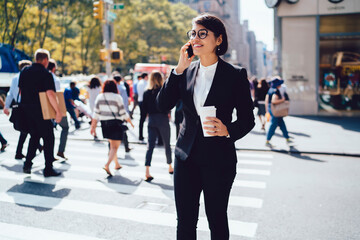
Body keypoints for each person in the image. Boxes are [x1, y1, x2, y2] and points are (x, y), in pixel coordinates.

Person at [156, 14, 255, 239]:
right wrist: (179, 68)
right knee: (185, 222)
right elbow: (162, 104)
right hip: (185, 157)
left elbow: (248, 119)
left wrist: (228, 129)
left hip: (219, 159)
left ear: (218, 40)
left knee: (217, 220)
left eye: (203, 33)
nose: (196, 38)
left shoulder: (235, 75)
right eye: (193, 33)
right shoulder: (186, 72)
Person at [19, 48, 62, 177]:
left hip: (26, 110)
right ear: (45, 60)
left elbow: (20, 91)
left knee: (34, 136)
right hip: (41, 111)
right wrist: (58, 111)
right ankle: (48, 168)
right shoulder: (46, 74)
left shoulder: (24, 71)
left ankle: (27, 164)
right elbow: (50, 94)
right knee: (49, 138)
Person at [90, 80, 134, 177]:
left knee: (112, 145)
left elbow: (95, 113)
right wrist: (130, 122)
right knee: (115, 147)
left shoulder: (100, 96)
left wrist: (93, 127)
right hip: (115, 124)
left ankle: (117, 164)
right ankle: (107, 165)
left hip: (104, 124)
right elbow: (123, 112)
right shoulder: (117, 97)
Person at [3, 60, 43, 159]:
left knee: (26, 129)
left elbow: (10, 94)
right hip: (27, 105)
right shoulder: (26, 77)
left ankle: (24, 150)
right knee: (29, 129)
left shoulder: (15, 78)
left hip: (20, 105)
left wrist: (6, 106)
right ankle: (28, 150)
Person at [142, 71, 174, 182]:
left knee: (150, 146)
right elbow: (168, 105)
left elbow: (144, 109)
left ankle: (147, 171)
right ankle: (170, 166)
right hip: (163, 119)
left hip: (151, 119)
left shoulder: (147, 93)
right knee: (167, 144)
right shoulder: (164, 91)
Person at [47, 59, 69, 160]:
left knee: (47, 131)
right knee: (65, 128)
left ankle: (46, 150)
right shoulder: (54, 79)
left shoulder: (43, 77)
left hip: (44, 107)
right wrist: (59, 111)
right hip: (55, 107)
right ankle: (60, 151)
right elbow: (55, 95)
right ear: (54, 68)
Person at [265, 77, 292, 146]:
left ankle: (287, 138)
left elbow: (267, 100)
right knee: (274, 124)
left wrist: (267, 109)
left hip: (272, 108)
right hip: (275, 110)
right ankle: (267, 141)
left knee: (281, 123)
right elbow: (274, 101)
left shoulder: (271, 89)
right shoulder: (276, 91)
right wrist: (282, 100)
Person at [113, 72, 132, 152]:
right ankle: (126, 146)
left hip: (112, 112)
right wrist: (126, 113)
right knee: (123, 130)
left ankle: (111, 149)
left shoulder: (110, 87)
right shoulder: (122, 88)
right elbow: (125, 102)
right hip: (121, 112)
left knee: (112, 131)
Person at [137, 73, 148, 142]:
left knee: (142, 119)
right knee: (144, 118)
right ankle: (141, 135)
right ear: (146, 77)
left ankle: (140, 135)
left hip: (140, 101)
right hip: (144, 101)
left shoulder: (139, 82)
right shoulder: (145, 83)